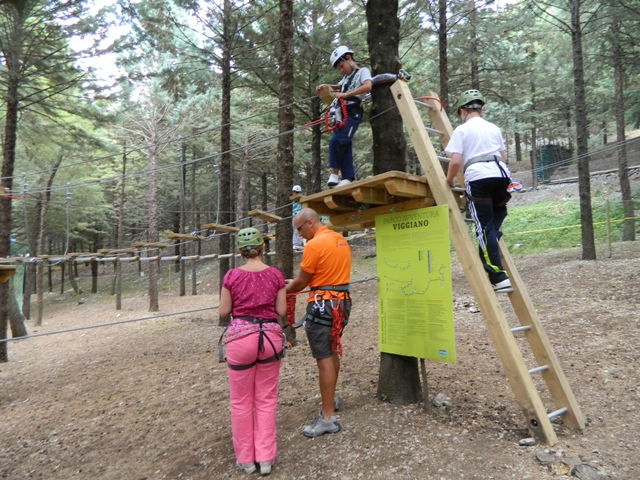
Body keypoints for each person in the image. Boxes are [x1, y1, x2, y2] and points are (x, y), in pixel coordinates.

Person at [219, 227, 287, 476]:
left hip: (240, 339)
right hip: (270, 338)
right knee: (266, 399)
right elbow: (281, 312)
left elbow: (224, 312)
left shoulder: (231, 276)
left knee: (240, 401)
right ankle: (265, 458)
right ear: (263, 248)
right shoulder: (275, 275)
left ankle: (246, 460)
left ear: (240, 251)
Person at [286, 208, 352, 437]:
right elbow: (325, 274)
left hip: (322, 306)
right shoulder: (340, 240)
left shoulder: (313, 245)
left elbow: (301, 283)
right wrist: (297, 282)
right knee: (332, 350)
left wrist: (282, 290)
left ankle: (327, 418)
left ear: (310, 223)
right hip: (341, 303)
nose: (299, 234)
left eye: (299, 229)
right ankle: (330, 400)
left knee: (324, 358)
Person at [444, 89, 513, 293]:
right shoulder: (493, 128)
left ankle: (498, 277)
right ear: (481, 110)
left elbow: (455, 161)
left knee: (483, 228)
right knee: (498, 213)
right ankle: (493, 238)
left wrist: (448, 180)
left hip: (478, 178)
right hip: (501, 175)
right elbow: (503, 156)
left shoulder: (462, 130)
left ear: (462, 111)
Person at [315, 45, 372, 188]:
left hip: (353, 112)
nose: (341, 70)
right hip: (341, 112)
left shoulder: (363, 71)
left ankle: (334, 174)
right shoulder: (346, 78)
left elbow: (367, 86)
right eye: (339, 69)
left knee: (336, 140)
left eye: (341, 66)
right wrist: (325, 86)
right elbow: (339, 87)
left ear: (348, 58)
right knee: (345, 143)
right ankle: (348, 177)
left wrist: (346, 95)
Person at [291, 185, 304, 252]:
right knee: (298, 230)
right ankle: (297, 244)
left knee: (296, 230)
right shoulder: (299, 200)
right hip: (299, 215)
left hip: (296, 216)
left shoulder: (295, 200)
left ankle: (296, 244)